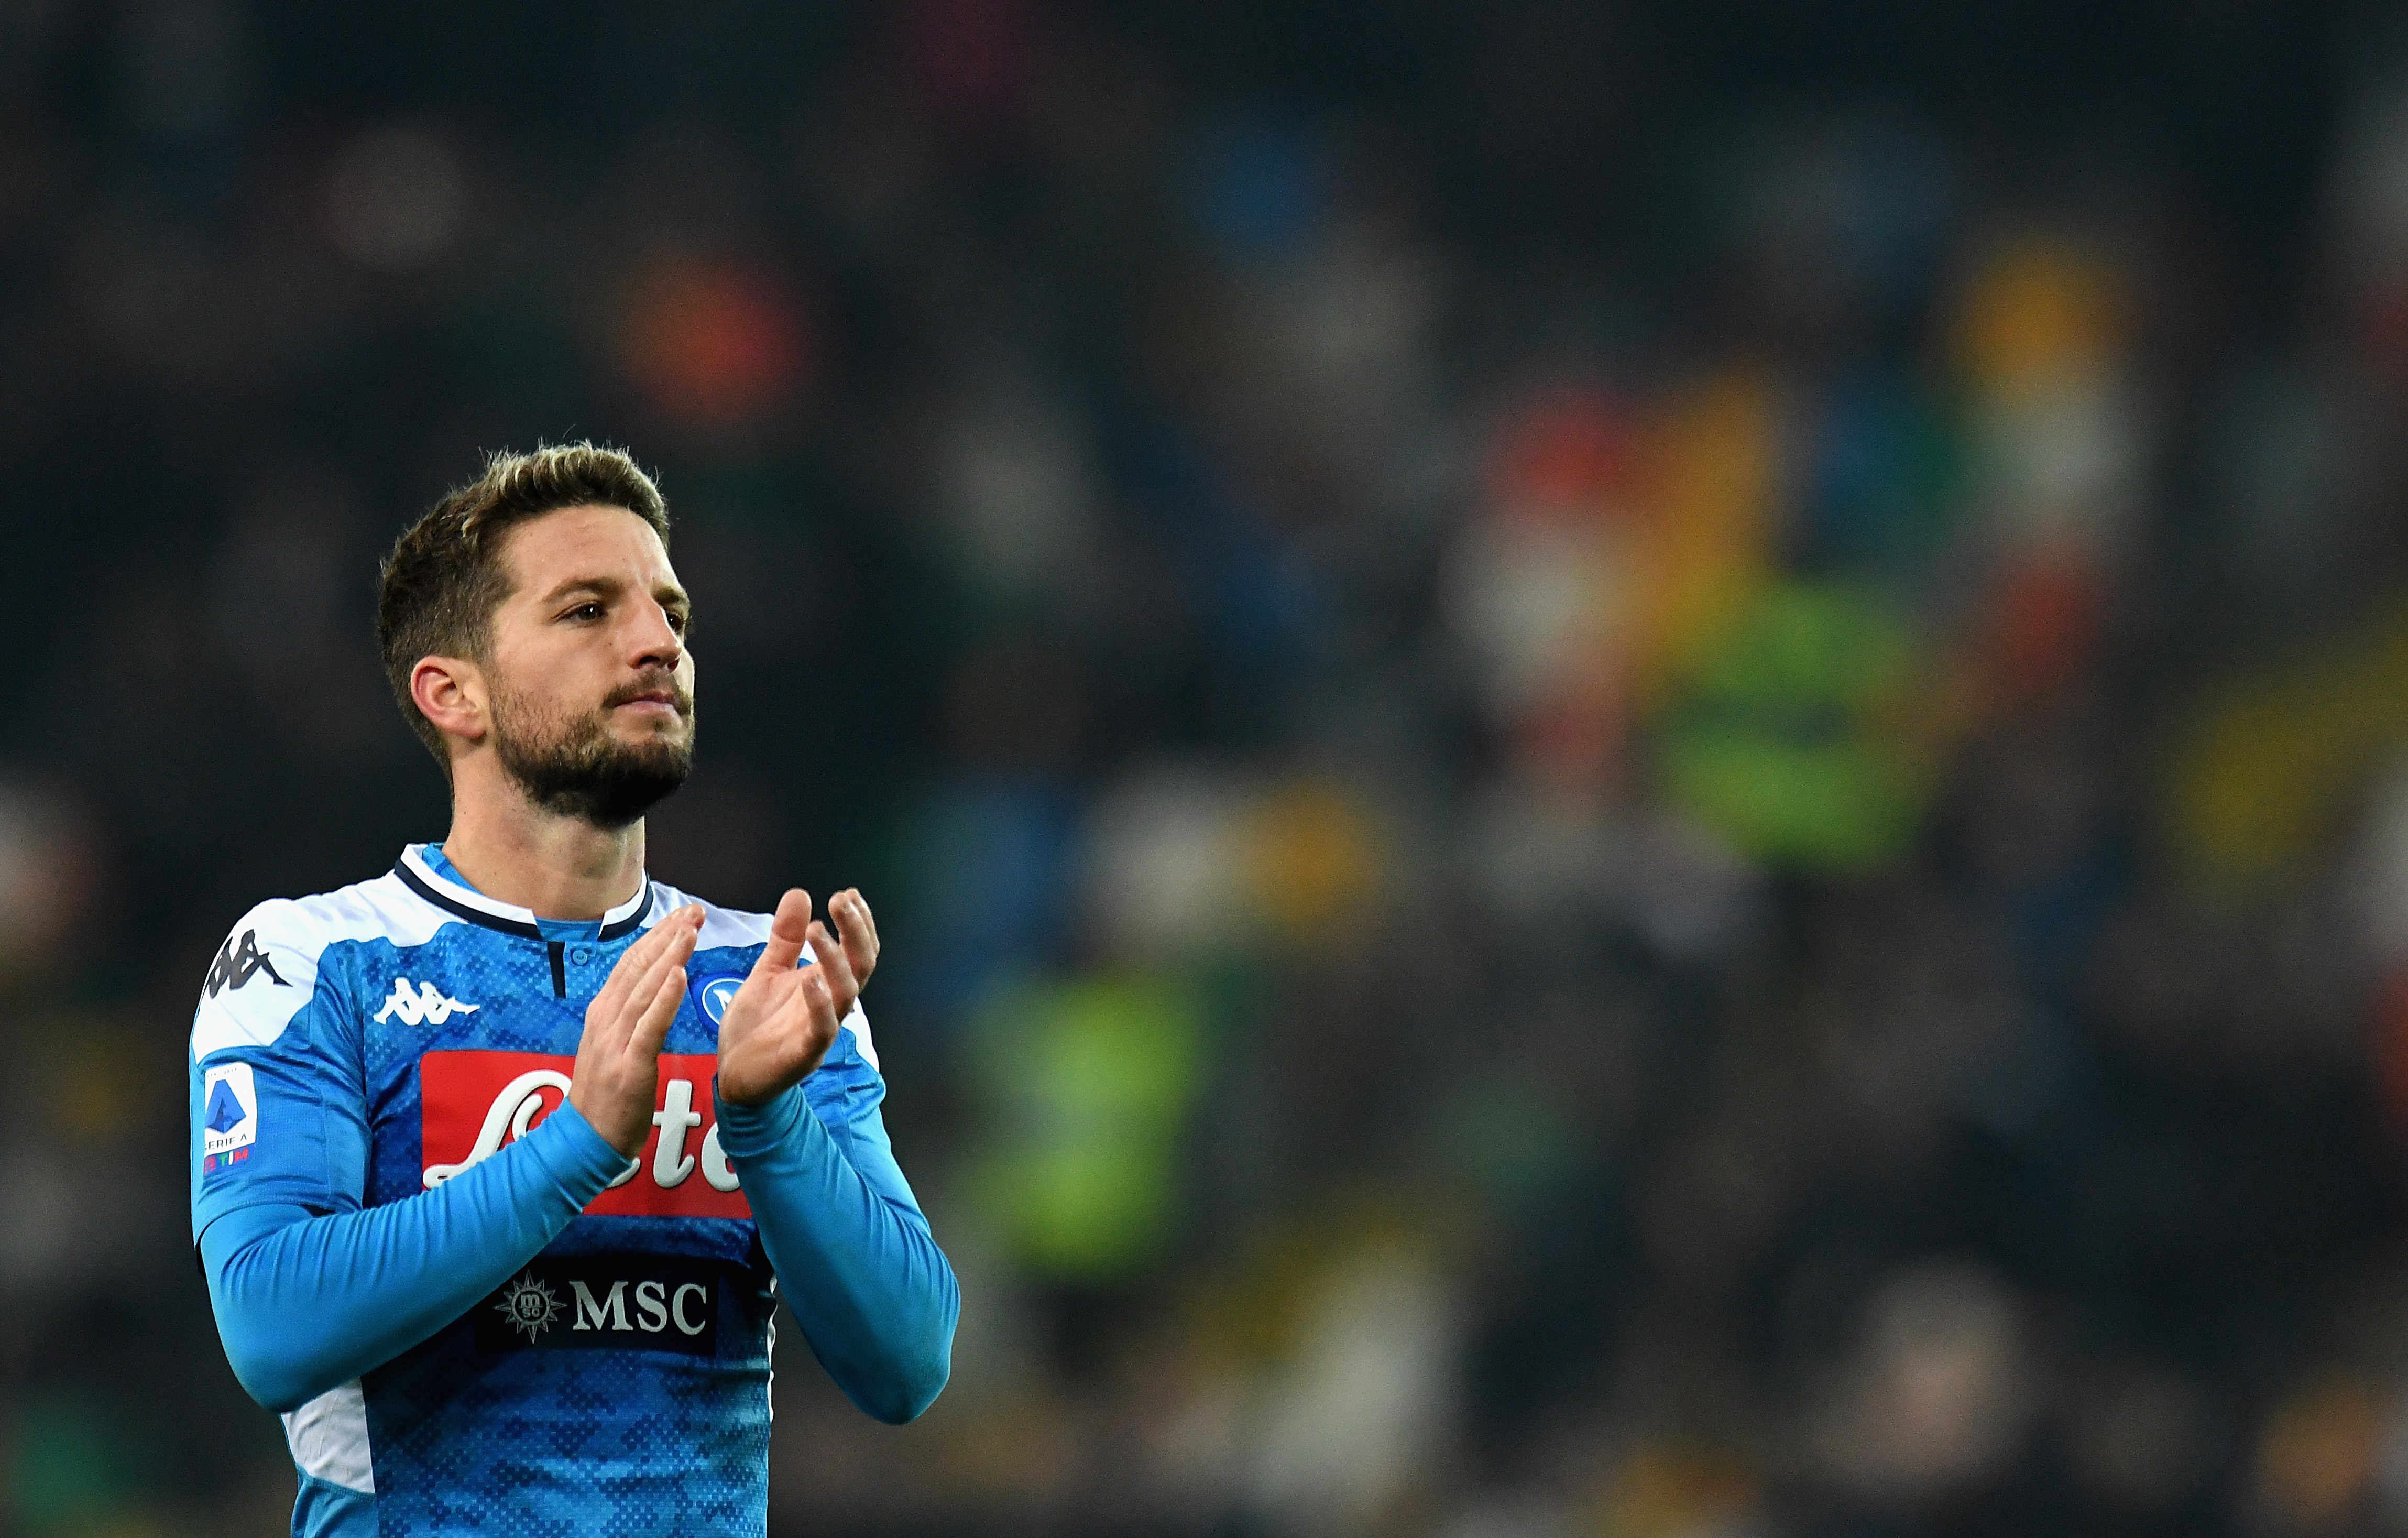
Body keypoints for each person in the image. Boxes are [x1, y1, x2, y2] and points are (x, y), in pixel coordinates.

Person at [187, 443, 958, 1536]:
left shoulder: (764, 980)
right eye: (588, 609)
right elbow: (271, 1325)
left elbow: (908, 1363)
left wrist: (768, 1121)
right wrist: (577, 1143)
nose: (658, 643)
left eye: (669, 611)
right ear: (453, 693)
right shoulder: (316, 961)